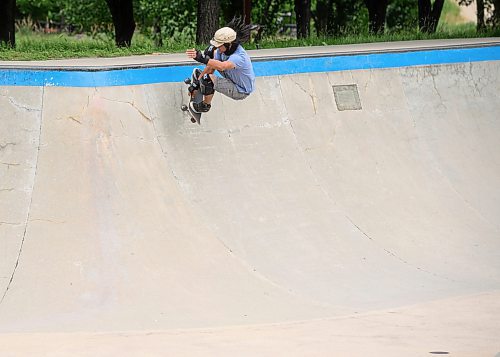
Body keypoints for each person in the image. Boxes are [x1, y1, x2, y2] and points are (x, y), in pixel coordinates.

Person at [186, 17, 255, 113]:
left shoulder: (239, 57)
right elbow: (211, 67)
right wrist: (196, 83)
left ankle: (205, 106)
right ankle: (204, 84)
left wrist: (201, 59)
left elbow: (221, 66)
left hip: (240, 90)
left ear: (229, 44)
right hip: (230, 78)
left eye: (219, 45)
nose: (218, 48)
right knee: (209, 52)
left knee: (207, 78)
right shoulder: (220, 50)